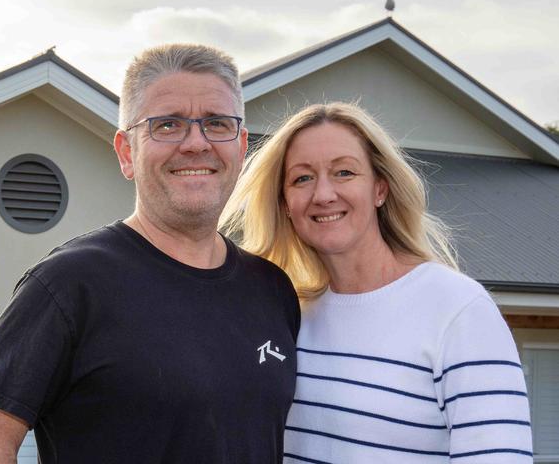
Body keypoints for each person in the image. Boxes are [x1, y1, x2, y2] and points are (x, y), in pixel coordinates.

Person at [0, 44, 300, 464]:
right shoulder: (69, 284)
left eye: (216, 123)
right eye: (167, 125)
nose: (196, 143)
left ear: (241, 147)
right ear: (126, 152)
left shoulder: (271, 289)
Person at [221, 102, 533, 463]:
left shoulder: (458, 310)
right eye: (302, 178)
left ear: (380, 190)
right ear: (285, 203)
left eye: (344, 173)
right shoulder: (285, 313)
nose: (323, 195)